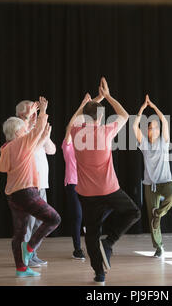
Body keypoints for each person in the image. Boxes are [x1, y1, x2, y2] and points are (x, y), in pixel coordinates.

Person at [70, 77, 141, 285]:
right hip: (109, 189)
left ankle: (99, 275)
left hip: (85, 193)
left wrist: (85, 104)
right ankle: (108, 243)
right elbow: (124, 115)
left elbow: (75, 120)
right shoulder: (105, 131)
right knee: (133, 212)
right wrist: (107, 95)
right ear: (101, 119)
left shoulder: (76, 132)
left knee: (91, 232)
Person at [0, 96, 61, 278]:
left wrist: (40, 130)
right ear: (18, 132)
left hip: (14, 194)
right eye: (23, 128)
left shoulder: (6, 147)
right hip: (27, 192)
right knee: (54, 219)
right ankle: (30, 249)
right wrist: (42, 112)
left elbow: (41, 143)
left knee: (19, 232)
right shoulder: (22, 142)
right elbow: (38, 130)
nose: (26, 128)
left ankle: (21, 268)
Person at [133, 95, 172, 258]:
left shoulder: (164, 142)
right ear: (148, 131)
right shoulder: (144, 143)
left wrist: (153, 106)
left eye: (157, 128)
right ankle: (159, 247)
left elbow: (165, 121)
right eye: (152, 127)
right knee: (152, 219)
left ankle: (159, 213)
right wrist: (142, 110)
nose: (156, 130)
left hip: (165, 181)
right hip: (149, 184)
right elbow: (134, 126)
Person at [62, 92, 105, 260]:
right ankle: (77, 249)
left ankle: (92, 235)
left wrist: (96, 101)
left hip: (89, 184)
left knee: (101, 210)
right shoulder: (68, 145)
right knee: (78, 216)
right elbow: (72, 124)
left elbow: (91, 116)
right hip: (73, 183)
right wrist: (81, 105)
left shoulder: (87, 141)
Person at [15, 100, 56, 267]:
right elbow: (27, 151)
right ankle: (25, 259)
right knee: (28, 224)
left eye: (34, 113)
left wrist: (44, 135)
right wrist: (37, 125)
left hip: (41, 183)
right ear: (20, 116)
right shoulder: (18, 130)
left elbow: (52, 150)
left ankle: (31, 254)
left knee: (40, 222)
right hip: (28, 183)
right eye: (29, 114)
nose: (33, 117)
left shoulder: (38, 129)